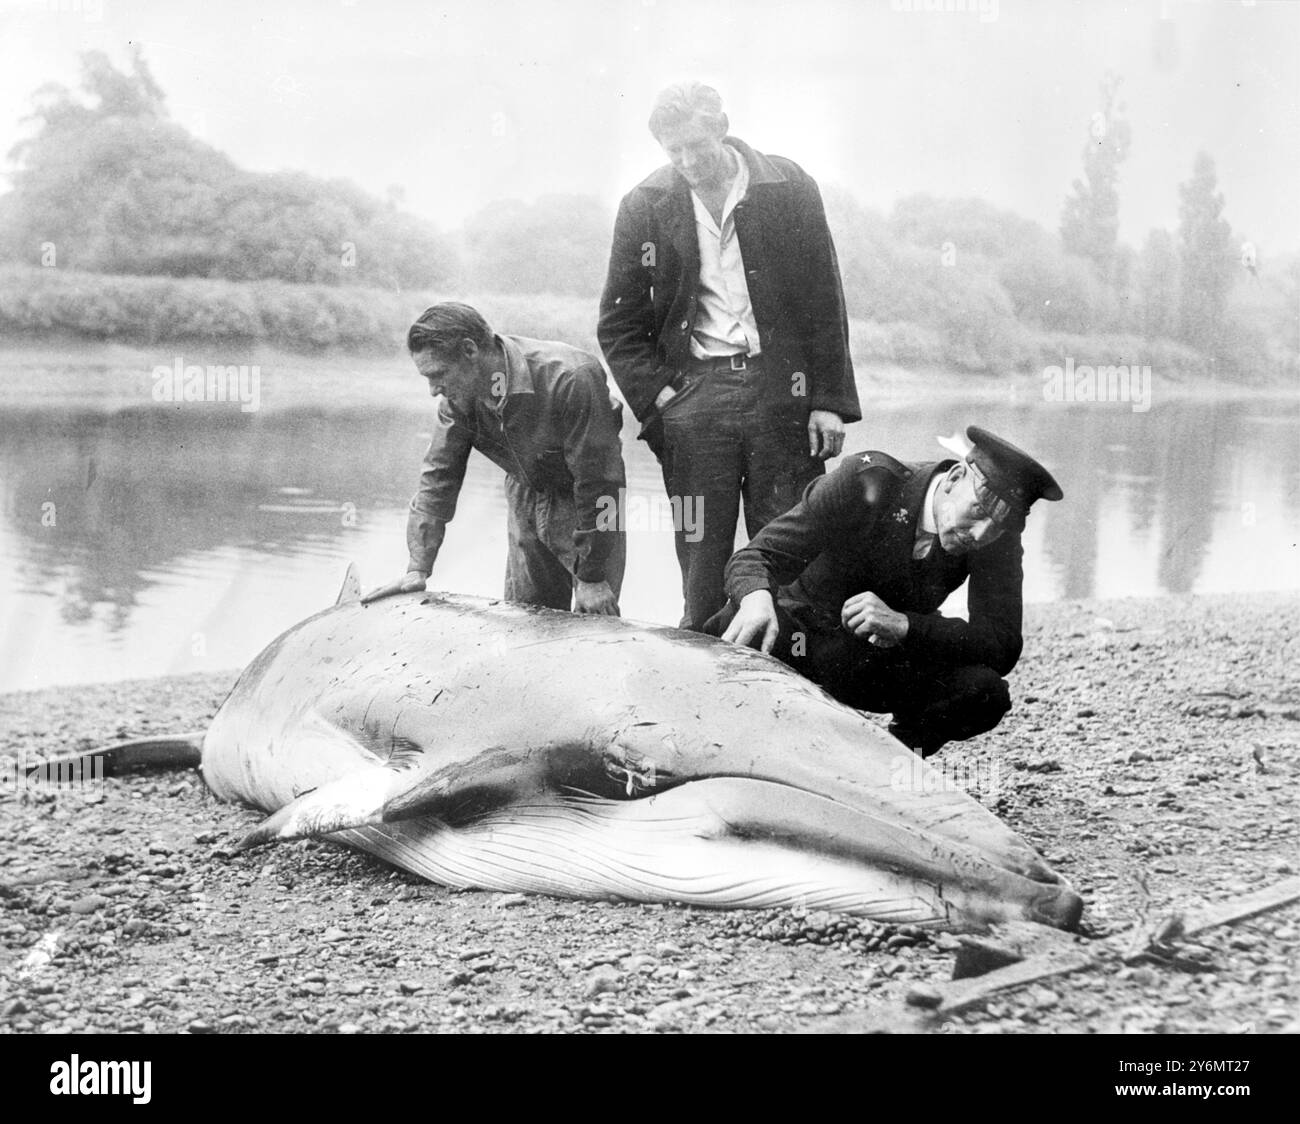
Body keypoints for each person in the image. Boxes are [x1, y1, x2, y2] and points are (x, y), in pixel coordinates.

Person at [598, 81, 861, 631]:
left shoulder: (788, 187)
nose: (689, 162)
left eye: (698, 144)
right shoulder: (644, 205)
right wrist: (663, 401)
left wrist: (829, 401)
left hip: (782, 395)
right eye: (674, 151)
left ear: (722, 126)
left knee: (791, 549)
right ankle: (702, 691)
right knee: (701, 561)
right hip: (696, 401)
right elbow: (618, 323)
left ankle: (791, 688)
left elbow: (823, 297)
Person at [710, 426, 1064, 757]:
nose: (980, 534)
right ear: (955, 479)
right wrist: (756, 598)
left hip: (874, 665)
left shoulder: (995, 538)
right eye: (978, 512)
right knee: (713, 644)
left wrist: (906, 626)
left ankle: (884, 763)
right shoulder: (867, 479)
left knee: (984, 692)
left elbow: (1001, 644)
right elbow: (757, 556)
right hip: (800, 641)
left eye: (997, 526)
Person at [363, 302, 626, 614]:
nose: (433, 390)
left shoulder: (571, 378)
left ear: (470, 351)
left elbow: (599, 481)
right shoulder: (458, 397)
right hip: (524, 494)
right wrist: (417, 567)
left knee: (593, 624)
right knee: (524, 621)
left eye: (438, 374)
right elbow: (439, 475)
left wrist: (592, 576)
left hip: (588, 503)